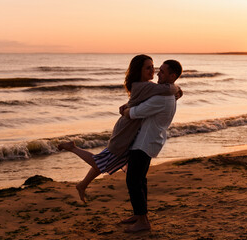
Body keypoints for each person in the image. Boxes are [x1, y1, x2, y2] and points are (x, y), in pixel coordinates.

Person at [58, 55, 182, 203]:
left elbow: (163, 93)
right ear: (139, 70)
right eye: (148, 68)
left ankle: (83, 184)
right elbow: (170, 89)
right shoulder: (146, 86)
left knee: (108, 160)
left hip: (130, 129)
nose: (153, 71)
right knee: (102, 161)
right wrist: (178, 89)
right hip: (126, 130)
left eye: (153, 67)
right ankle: (73, 148)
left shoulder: (144, 86)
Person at [120, 59, 183, 233]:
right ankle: (139, 215)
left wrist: (125, 110)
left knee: (133, 180)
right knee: (140, 180)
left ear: (172, 76)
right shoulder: (167, 94)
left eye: (162, 72)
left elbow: (135, 113)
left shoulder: (162, 99)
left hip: (145, 143)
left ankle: (143, 221)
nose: (157, 74)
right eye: (158, 70)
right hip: (150, 141)